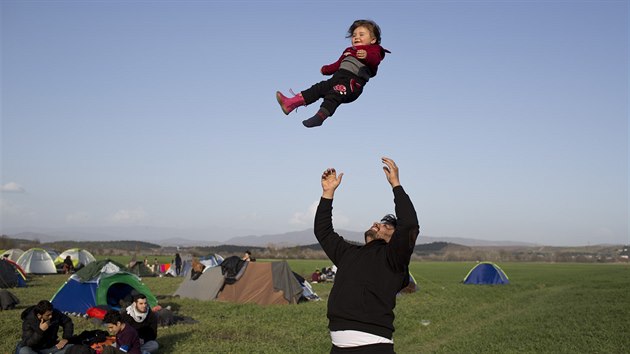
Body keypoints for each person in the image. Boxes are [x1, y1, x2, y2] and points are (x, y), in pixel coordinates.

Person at [314, 157, 419, 353]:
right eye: (381, 221)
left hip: (372, 347)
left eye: (387, 226)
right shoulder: (349, 253)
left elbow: (409, 225)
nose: (377, 224)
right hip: (338, 347)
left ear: (395, 238)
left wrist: (396, 185)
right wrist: (327, 194)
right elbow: (324, 232)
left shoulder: (393, 259)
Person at [276, 19, 390, 128]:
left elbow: (375, 60)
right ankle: (290, 103)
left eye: (361, 34)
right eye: (354, 35)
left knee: (335, 93)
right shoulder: (349, 51)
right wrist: (326, 69)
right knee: (318, 88)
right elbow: (338, 64)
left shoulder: (374, 50)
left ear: (373, 40)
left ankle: (320, 116)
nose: (356, 37)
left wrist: (366, 56)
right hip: (337, 77)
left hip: (353, 83)